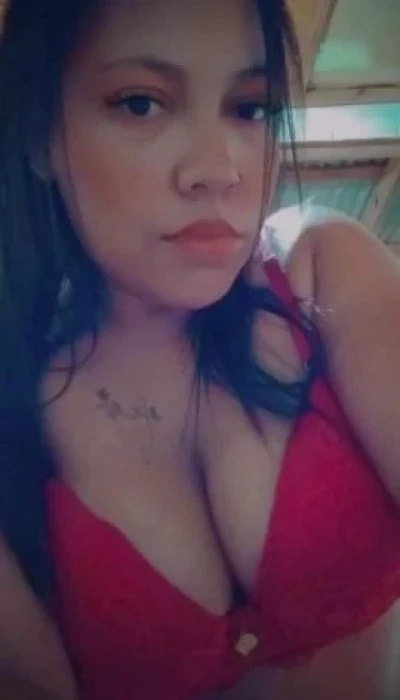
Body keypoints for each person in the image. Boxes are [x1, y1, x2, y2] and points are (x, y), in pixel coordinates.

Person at [0, 0, 400, 698]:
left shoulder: (322, 272)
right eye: (141, 103)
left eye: (250, 108)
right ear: (41, 138)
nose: (219, 170)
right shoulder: (14, 409)